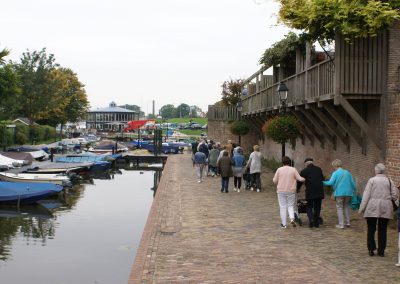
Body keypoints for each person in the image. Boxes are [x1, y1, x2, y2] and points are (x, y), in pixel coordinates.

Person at [359, 163, 399, 257]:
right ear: (384, 171)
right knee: (383, 229)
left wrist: (361, 208)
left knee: (371, 228)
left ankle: (371, 249)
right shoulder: (390, 181)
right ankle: (381, 251)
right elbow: (395, 195)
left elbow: (366, 195)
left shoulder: (372, 180)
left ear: (376, 170)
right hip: (386, 206)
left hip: (372, 205)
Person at [323, 159, 356, 229]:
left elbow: (330, 183)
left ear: (335, 166)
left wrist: (322, 182)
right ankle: (348, 222)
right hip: (348, 193)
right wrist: (354, 191)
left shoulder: (335, 173)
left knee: (339, 207)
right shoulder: (347, 172)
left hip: (339, 193)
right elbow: (353, 184)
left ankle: (341, 224)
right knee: (346, 206)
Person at [273, 156, 305, 228]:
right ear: (290, 162)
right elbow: (300, 179)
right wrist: (305, 179)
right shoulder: (293, 169)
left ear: (282, 162)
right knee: (290, 205)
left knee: (283, 207)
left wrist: (277, 182)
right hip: (291, 191)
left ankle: (283, 224)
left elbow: (274, 181)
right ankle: (292, 219)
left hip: (281, 191)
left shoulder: (279, 169)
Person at [297, 158, 325, 228]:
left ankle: (311, 219)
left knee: (309, 206)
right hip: (319, 191)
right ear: (312, 163)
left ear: (306, 164)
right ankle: (316, 223)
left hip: (310, 191)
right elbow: (322, 178)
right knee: (317, 207)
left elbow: (300, 182)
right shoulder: (319, 169)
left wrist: (297, 189)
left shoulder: (304, 171)